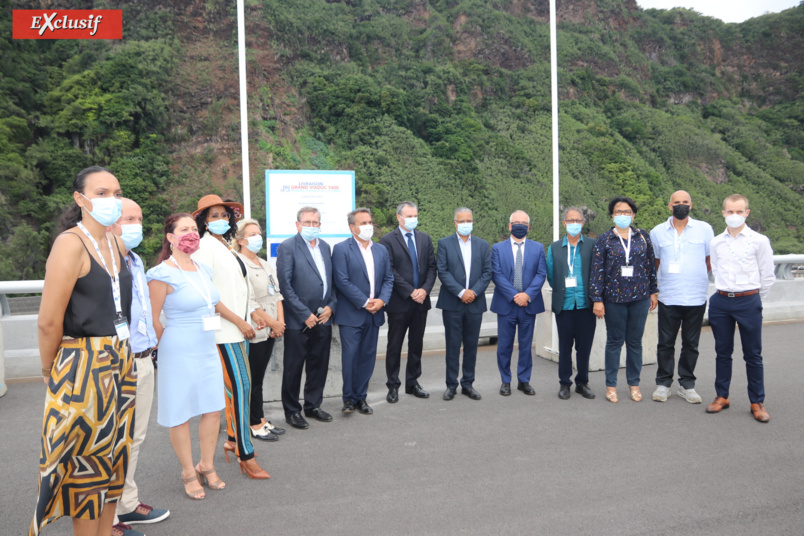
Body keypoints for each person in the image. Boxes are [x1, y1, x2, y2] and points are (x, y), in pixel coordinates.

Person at [32, 166, 136, 535]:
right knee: (85, 465)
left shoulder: (116, 242)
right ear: (80, 199)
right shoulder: (70, 244)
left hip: (120, 362)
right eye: (102, 192)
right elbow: (49, 321)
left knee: (113, 460)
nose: (112, 200)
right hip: (83, 364)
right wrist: (49, 371)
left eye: (116, 192)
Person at [147, 214, 227, 500]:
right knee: (180, 413)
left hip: (207, 347)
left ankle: (207, 464)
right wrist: (156, 350)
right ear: (170, 237)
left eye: (194, 229)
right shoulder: (160, 273)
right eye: (184, 230)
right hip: (178, 349)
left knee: (212, 408)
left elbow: (213, 305)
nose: (191, 234)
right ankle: (187, 472)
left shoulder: (203, 269)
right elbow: (153, 318)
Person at [192, 195, 269, 479]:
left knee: (234, 388)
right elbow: (208, 296)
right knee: (242, 388)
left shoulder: (227, 247)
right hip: (224, 331)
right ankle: (245, 454)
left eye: (224, 215)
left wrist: (252, 315)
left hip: (238, 328)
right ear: (203, 221)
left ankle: (234, 440)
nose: (220, 220)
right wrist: (239, 320)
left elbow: (238, 290)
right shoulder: (203, 248)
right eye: (213, 216)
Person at [110, 200, 169, 535]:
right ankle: (108, 516)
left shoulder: (135, 260)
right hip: (116, 363)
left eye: (139, 218)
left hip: (143, 359)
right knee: (113, 440)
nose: (136, 224)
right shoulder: (100, 260)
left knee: (135, 437)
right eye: (128, 218)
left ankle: (126, 504)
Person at [706, 194, 775, 423]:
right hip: (721, 300)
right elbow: (715, 269)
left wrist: (754, 298)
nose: (734, 215)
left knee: (753, 354)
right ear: (723, 212)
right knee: (722, 352)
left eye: (739, 211)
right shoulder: (716, 242)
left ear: (747, 213)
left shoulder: (759, 241)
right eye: (730, 211)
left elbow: (767, 275)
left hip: (748, 300)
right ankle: (721, 396)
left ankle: (757, 401)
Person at [590, 197, 658, 404]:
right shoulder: (604, 239)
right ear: (612, 215)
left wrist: (653, 291)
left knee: (635, 343)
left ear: (633, 214)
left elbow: (650, 265)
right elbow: (597, 270)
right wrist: (597, 299)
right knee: (614, 342)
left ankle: (634, 384)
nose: (623, 215)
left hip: (639, 297)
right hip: (613, 299)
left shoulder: (642, 236)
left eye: (627, 212)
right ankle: (611, 386)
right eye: (618, 212)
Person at [649, 191, 715, 404]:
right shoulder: (657, 232)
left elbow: (709, 260)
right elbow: (655, 263)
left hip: (696, 295)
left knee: (691, 343)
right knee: (665, 342)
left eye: (685, 202)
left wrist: (695, 277)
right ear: (670, 206)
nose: (681, 206)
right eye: (677, 203)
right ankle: (663, 383)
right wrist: (655, 289)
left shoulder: (704, 229)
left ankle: (687, 384)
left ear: (691, 205)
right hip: (668, 295)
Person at [276, 207, 337, 429]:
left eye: (316, 222)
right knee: (293, 367)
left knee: (319, 365)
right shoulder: (288, 247)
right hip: (298, 321)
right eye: (308, 222)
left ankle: (313, 405)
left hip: (323, 318)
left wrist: (331, 306)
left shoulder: (325, 247)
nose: (312, 226)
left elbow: (330, 282)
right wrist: (304, 314)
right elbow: (285, 286)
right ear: (298, 224)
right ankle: (292, 411)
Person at [332, 208, 394, 415]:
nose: (369, 226)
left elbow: (388, 279)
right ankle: (349, 399)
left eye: (370, 221)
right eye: (363, 223)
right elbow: (342, 280)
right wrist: (365, 301)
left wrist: (382, 300)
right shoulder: (341, 249)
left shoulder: (381, 250)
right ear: (352, 227)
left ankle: (362, 398)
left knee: (367, 357)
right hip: (352, 314)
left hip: (375, 313)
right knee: (350, 357)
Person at [379, 201, 437, 403]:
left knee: (416, 344)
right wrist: (411, 291)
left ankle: (413, 383)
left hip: (421, 302)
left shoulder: (424, 238)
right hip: (399, 302)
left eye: (415, 215)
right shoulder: (387, 240)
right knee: (394, 345)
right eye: (409, 216)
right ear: (399, 217)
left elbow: (431, 268)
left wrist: (424, 290)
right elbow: (390, 270)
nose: (413, 219)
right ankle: (393, 385)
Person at [234, 219, 286, 441]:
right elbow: (249, 300)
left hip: (272, 328)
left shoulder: (265, 263)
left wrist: (280, 323)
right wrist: (272, 323)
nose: (257, 237)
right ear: (241, 239)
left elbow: (277, 295)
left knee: (260, 378)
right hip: (256, 328)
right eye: (252, 234)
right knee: (252, 379)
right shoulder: (238, 264)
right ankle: (253, 423)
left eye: (259, 233)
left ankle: (260, 418)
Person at [436, 207, 492, 401]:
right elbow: (442, 271)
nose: (466, 224)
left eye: (469, 220)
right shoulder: (444, 243)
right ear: (455, 223)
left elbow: (487, 273)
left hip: (475, 303)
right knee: (452, 345)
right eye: (462, 221)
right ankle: (451, 384)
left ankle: (468, 384)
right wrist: (461, 292)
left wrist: (473, 292)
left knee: (471, 345)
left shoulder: (483, 245)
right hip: (453, 303)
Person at [490, 210, 547, 397]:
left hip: (528, 305)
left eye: (524, 222)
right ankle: (505, 381)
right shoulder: (498, 248)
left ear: (529, 227)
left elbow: (541, 274)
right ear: (509, 225)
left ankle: (524, 380)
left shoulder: (538, 248)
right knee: (504, 345)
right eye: (517, 222)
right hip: (507, 304)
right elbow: (496, 274)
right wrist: (515, 295)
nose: (520, 225)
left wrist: (527, 295)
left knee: (525, 345)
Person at [546, 207, 597, 400]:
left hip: (586, 306)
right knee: (565, 347)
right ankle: (564, 383)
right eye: (570, 220)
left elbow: (597, 272)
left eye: (578, 220)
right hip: (564, 305)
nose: (574, 223)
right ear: (564, 223)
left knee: (584, 347)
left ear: (583, 223)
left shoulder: (593, 245)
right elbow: (551, 275)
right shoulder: (555, 247)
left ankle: (582, 383)